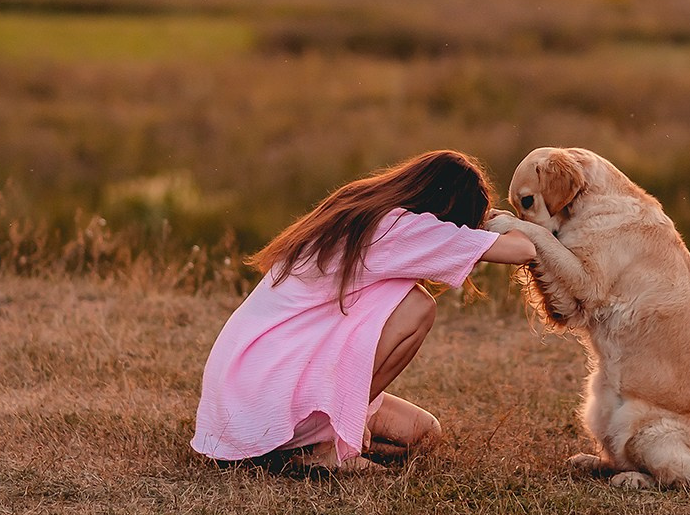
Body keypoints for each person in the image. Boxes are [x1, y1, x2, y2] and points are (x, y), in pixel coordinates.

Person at [191, 149, 533, 474]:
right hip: (268, 391)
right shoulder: (403, 229)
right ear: (447, 210)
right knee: (419, 306)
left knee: (425, 433)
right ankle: (327, 446)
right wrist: (496, 222)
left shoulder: (361, 208)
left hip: (240, 393)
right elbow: (523, 249)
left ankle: (296, 450)